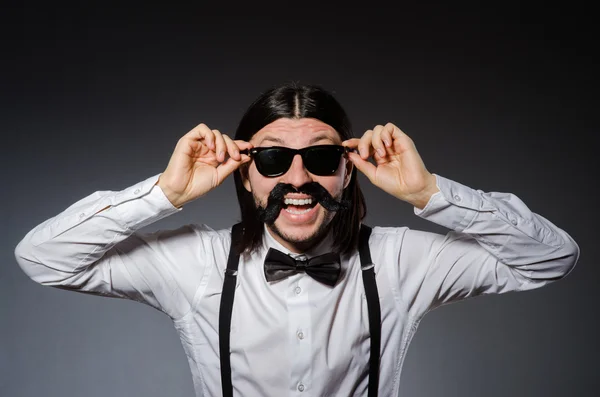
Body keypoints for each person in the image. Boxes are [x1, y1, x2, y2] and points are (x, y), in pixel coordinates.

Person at [15, 82, 579, 397]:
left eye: (322, 157)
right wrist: (164, 194)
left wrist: (430, 192)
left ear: (348, 169)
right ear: (245, 172)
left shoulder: (404, 260)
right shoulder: (196, 262)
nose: (298, 179)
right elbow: (43, 258)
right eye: (273, 159)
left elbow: (552, 258)